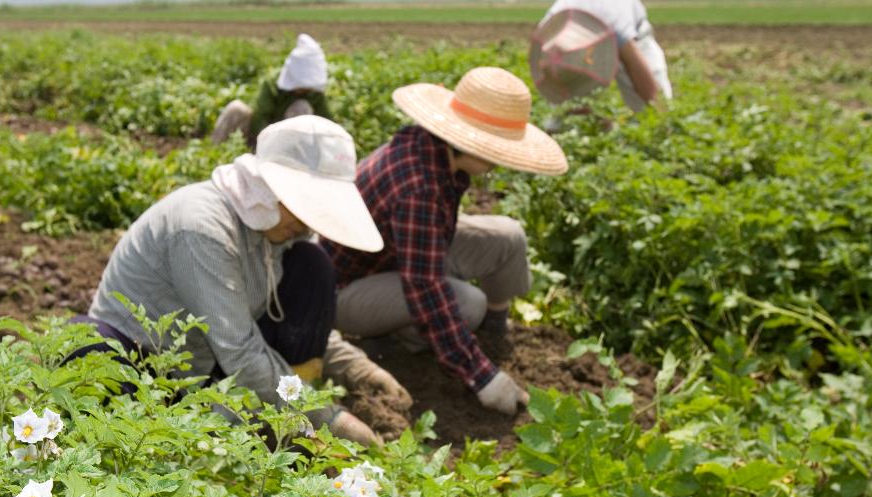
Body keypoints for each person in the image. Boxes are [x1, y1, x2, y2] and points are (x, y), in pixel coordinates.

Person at [84, 114, 409, 445]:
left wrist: (356, 368)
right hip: (146, 363)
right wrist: (328, 420)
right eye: (305, 206)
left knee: (312, 265)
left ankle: (281, 410)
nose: (308, 225)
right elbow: (238, 349)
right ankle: (278, 421)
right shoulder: (202, 227)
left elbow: (246, 334)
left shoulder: (279, 226)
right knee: (95, 355)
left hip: (208, 362)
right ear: (269, 188)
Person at [322, 66, 568, 416]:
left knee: (507, 237)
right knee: (468, 304)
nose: (501, 163)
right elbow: (425, 288)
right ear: (474, 146)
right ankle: (396, 343)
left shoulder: (433, 151)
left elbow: (429, 243)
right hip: (346, 291)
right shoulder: (419, 186)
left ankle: (494, 333)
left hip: (394, 257)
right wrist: (483, 378)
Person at [529, 0, 671, 113]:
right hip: (590, 21)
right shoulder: (549, 30)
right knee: (569, 110)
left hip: (635, 32)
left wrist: (659, 117)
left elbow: (643, 79)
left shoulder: (616, 26)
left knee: (652, 105)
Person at [211, 34, 333, 148]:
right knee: (236, 108)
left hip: (285, 145)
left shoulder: (315, 93)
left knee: (302, 108)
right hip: (262, 135)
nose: (304, 89)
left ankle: (292, 159)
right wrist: (263, 145)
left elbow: (327, 122)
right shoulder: (272, 85)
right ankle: (214, 151)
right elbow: (260, 117)